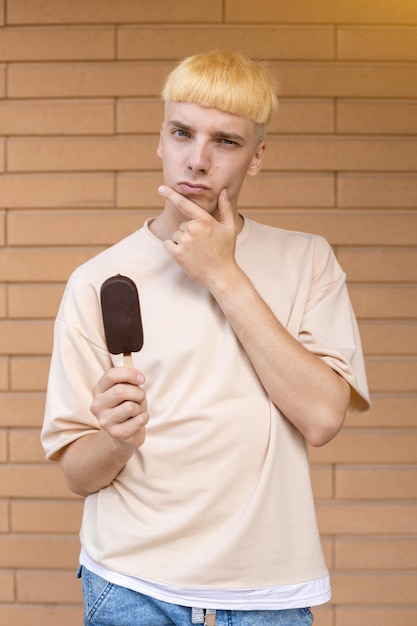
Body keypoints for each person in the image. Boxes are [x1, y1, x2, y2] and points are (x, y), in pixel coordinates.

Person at [41, 50, 370, 626]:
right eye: (182, 132)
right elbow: (77, 472)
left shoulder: (307, 260)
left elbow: (322, 418)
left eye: (226, 141)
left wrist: (222, 272)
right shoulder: (97, 281)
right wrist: (116, 440)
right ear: (159, 142)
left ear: (258, 156)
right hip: (131, 584)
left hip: (270, 591)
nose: (197, 160)